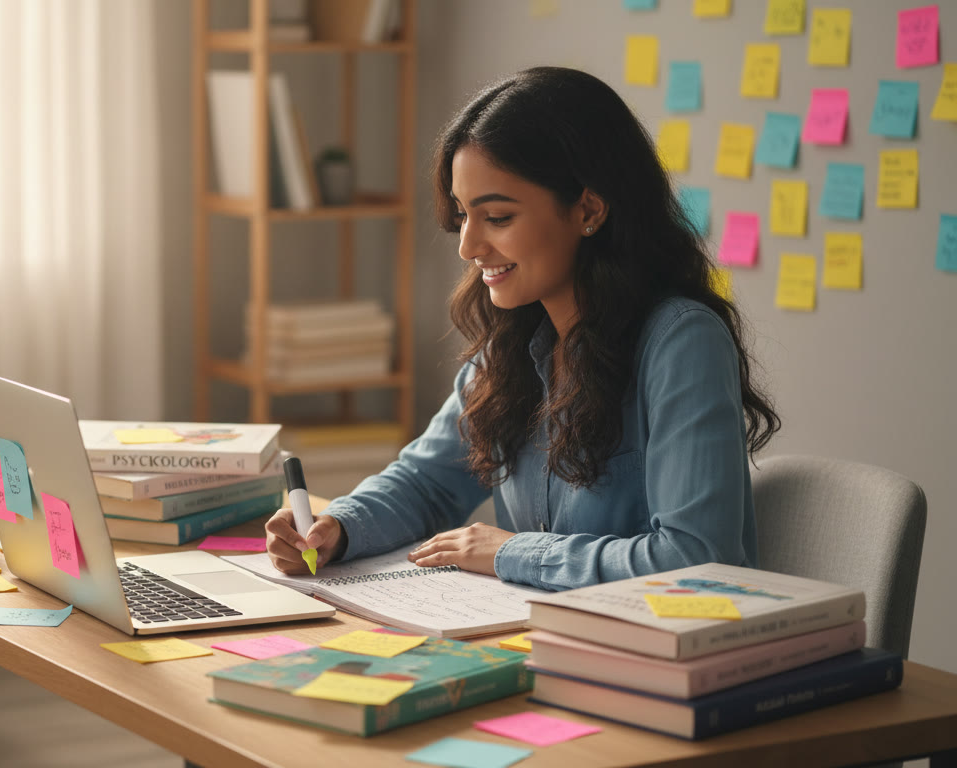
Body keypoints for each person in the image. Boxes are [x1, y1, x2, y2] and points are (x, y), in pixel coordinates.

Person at [264, 67, 780, 591]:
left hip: (656, 657)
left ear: (589, 209)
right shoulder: (512, 342)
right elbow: (426, 482)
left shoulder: (681, 342)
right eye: (463, 214)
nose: (467, 246)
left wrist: (512, 551)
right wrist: (338, 528)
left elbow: (695, 559)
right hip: (534, 638)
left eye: (498, 217)